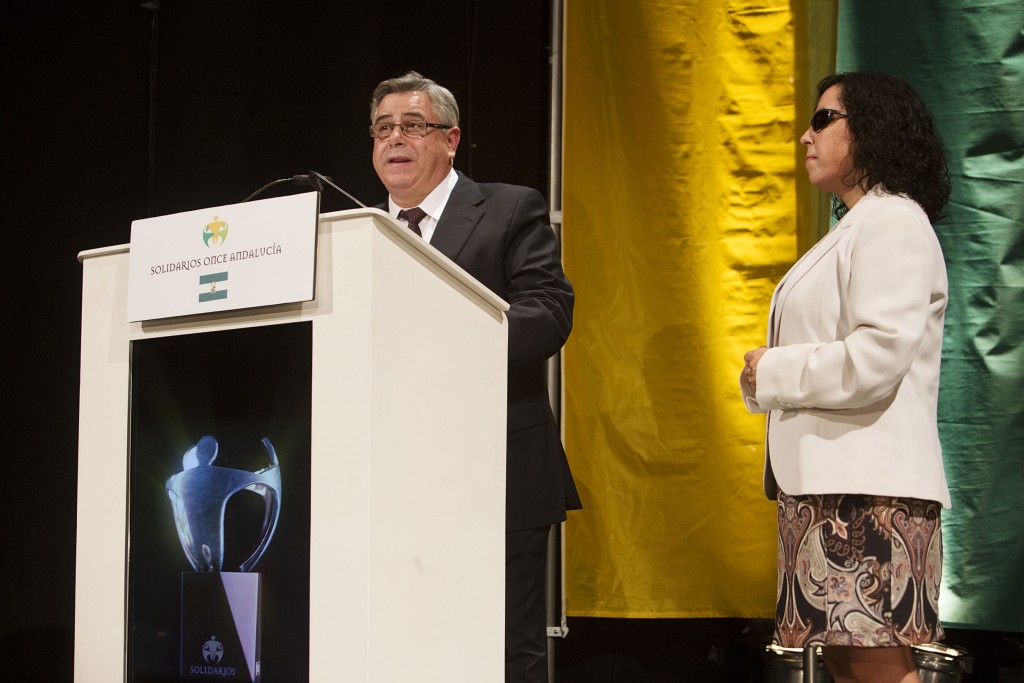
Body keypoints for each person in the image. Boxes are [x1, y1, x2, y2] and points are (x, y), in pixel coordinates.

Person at [368, 71, 581, 682]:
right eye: (383, 128)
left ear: (451, 138)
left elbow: (547, 312)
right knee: (402, 642)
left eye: (413, 125)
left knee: (504, 648)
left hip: (498, 468)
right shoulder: (359, 233)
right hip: (389, 474)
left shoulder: (509, 208)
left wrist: (442, 343)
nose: (395, 138)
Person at [740, 72, 952, 683]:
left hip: (867, 497)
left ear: (873, 129)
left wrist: (772, 369)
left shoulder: (893, 222)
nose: (805, 137)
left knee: (875, 666)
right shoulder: (859, 225)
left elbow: (876, 357)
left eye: (823, 120)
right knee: (847, 665)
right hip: (832, 491)